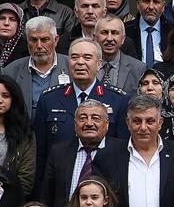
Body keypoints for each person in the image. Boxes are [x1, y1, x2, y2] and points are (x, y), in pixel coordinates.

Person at [33, 39, 129, 176]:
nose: (80, 62)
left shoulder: (118, 100)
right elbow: (40, 153)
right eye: (74, 57)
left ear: (99, 64)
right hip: (60, 180)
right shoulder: (49, 99)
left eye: (87, 57)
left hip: (103, 181)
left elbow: (122, 152)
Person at [36, 100, 127, 207]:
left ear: (107, 124)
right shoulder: (58, 152)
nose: (89, 123)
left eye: (96, 118)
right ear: (75, 124)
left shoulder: (122, 151)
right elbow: (47, 197)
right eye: (83, 118)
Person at [3, 16, 70, 119]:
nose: (39, 45)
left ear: (56, 40)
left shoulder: (72, 66)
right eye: (33, 40)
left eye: (44, 40)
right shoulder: (11, 72)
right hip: (24, 132)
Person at [125, 0, 173, 70]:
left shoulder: (173, 31)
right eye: (146, 1)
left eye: (156, 2)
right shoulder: (125, 31)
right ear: (138, 4)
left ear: (163, 7)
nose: (151, 7)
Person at [95, 16, 146, 95]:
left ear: (123, 38)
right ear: (95, 37)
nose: (109, 38)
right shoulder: (86, 65)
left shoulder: (138, 68)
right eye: (104, 32)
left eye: (115, 33)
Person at [0, 3, 27, 71]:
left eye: (12, 19)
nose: (6, 23)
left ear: (19, 25)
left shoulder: (27, 51)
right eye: (2, 18)